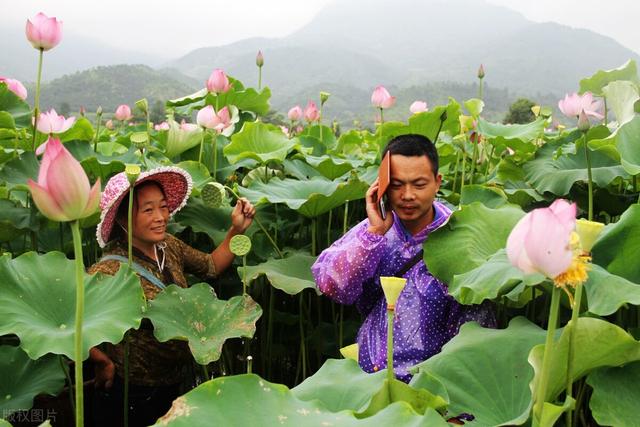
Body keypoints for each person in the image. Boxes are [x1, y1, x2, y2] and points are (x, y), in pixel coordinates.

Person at [311, 134, 495, 382]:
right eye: (397, 185)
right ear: (382, 186)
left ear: (437, 182)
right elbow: (333, 287)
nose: (407, 195)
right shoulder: (372, 231)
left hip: (431, 386)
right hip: (369, 377)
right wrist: (373, 234)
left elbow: (475, 334)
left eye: (419, 184)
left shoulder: (463, 236)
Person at [88, 166, 255, 426]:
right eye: (148, 210)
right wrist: (100, 360)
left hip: (177, 382)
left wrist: (237, 230)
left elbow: (212, 265)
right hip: (133, 391)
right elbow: (75, 325)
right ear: (122, 219)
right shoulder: (108, 269)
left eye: (163, 207)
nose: (161, 217)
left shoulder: (170, 245)